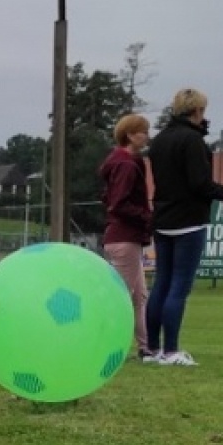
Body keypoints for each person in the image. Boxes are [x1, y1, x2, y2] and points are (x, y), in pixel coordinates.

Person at [146, 87, 223, 367]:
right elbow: (199, 182)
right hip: (188, 222)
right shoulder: (192, 140)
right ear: (197, 111)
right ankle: (171, 351)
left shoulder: (159, 140)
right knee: (179, 286)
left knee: (161, 283)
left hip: (163, 219)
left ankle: (152, 349)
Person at [99, 113, 153, 360]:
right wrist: (148, 217)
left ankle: (146, 346)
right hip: (125, 238)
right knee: (120, 297)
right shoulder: (127, 166)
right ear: (130, 135)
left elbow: (108, 198)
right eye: (143, 132)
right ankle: (105, 345)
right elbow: (118, 204)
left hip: (121, 236)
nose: (147, 136)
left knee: (139, 296)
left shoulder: (120, 162)